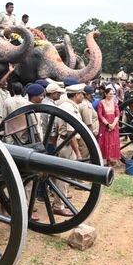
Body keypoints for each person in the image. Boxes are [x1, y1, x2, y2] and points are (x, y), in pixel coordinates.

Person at [55, 84, 87, 216]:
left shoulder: (67, 106)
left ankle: (59, 200)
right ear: (76, 95)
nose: (83, 96)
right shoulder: (69, 108)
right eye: (82, 94)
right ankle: (58, 205)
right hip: (67, 144)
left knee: (64, 175)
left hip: (63, 142)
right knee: (63, 176)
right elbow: (71, 132)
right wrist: (78, 153)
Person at [97, 88, 120, 166]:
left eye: (113, 94)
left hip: (114, 125)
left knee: (112, 141)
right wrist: (108, 124)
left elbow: (117, 114)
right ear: (105, 94)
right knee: (105, 141)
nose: (112, 95)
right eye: (110, 94)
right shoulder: (101, 103)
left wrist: (113, 124)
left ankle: (111, 159)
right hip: (104, 126)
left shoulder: (115, 103)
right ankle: (104, 160)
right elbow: (100, 115)